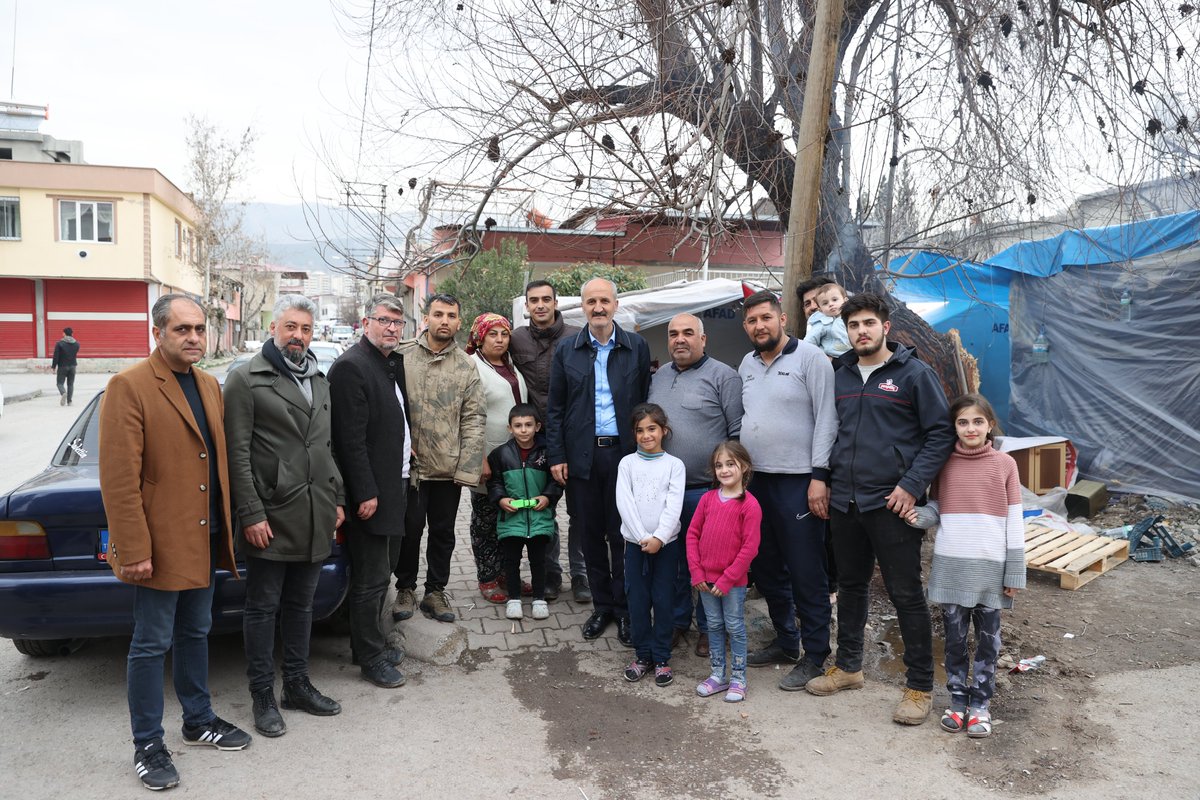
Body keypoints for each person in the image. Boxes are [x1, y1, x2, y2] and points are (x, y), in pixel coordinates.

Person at [99, 294, 251, 791]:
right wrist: (134, 548)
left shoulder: (209, 384)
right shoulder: (129, 386)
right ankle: (147, 744)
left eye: (199, 329)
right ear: (158, 332)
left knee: (196, 632)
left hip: (204, 540)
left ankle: (198, 719)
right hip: (159, 544)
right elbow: (119, 479)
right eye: (182, 329)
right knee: (149, 644)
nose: (193, 338)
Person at [805, 292, 955, 726]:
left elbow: (940, 434)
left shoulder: (913, 374)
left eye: (869, 323)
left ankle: (920, 686)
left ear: (886, 327)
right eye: (853, 326)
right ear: (846, 331)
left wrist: (911, 485)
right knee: (850, 586)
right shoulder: (842, 374)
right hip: (845, 500)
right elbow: (830, 430)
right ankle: (849, 667)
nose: (861, 332)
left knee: (906, 593)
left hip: (892, 504)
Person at [224, 294, 345, 736]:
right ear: (274, 328)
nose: (298, 336)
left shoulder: (320, 379)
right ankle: (262, 695)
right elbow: (236, 455)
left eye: (306, 329)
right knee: (262, 608)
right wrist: (250, 513)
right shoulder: (246, 379)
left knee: (302, 605)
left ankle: (296, 685)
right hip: (271, 515)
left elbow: (325, 449)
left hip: (315, 512)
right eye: (290, 327)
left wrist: (338, 499)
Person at [906, 393, 1024, 738]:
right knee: (955, 640)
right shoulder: (943, 463)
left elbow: (1015, 521)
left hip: (990, 570)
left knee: (988, 642)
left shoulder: (1005, 465)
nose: (970, 428)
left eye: (977, 421)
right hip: (952, 568)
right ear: (953, 427)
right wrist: (915, 516)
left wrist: (1015, 571)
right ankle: (958, 700)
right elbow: (937, 509)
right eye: (962, 422)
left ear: (990, 425)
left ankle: (981, 705)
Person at [738, 289, 838, 691]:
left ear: (782, 319)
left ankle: (816, 655)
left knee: (805, 570)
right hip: (755, 481)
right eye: (751, 321)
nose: (759, 326)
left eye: (766, 318)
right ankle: (786, 642)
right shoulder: (746, 363)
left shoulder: (811, 359)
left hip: (799, 481)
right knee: (765, 567)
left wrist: (819, 476)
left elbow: (827, 419)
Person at [546, 278, 651, 645]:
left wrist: (645, 455)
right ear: (584, 306)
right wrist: (557, 455)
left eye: (604, 300)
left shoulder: (635, 346)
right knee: (589, 531)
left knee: (622, 533)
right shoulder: (567, 350)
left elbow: (643, 402)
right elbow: (555, 408)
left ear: (615, 304)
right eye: (591, 301)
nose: (598, 308)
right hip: (582, 457)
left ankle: (624, 609)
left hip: (623, 456)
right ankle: (602, 605)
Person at [328, 293, 412, 689]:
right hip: (372, 492)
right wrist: (364, 491)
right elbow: (349, 440)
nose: (392, 328)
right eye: (384, 320)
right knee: (371, 579)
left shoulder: (387, 363)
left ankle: (370, 644)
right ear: (365, 323)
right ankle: (370, 658)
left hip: (394, 485)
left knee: (384, 572)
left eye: (397, 322)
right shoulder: (351, 367)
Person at [647, 312, 743, 658]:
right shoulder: (658, 378)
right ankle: (676, 622)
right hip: (667, 492)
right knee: (672, 562)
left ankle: (710, 628)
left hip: (707, 491)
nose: (680, 339)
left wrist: (732, 491)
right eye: (673, 334)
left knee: (708, 563)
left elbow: (736, 436)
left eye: (689, 333)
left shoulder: (724, 376)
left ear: (704, 339)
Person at [392, 294, 486, 624]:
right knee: (409, 530)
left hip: (448, 469)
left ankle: (435, 591)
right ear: (426, 318)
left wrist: (469, 467)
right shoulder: (400, 356)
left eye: (451, 315)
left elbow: (475, 417)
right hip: (411, 468)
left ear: (459, 322)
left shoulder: (465, 365)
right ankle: (405, 588)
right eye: (438, 314)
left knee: (443, 532)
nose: (444, 320)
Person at [508, 280, 588, 603]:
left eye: (546, 299)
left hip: (575, 435)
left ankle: (581, 573)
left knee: (581, 511)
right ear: (526, 306)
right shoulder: (516, 339)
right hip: (537, 440)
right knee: (546, 508)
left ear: (556, 303)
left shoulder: (576, 336)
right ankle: (552, 573)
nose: (540, 305)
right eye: (533, 300)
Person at [615, 403, 685, 687]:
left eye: (652, 429)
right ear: (634, 434)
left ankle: (662, 657)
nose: (646, 435)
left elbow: (674, 504)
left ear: (663, 431)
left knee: (664, 599)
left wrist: (659, 538)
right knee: (638, 599)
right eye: (640, 430)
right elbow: (625, 502)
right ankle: (643, 654)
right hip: (635, 545)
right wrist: (643, 536)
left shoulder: (674, 465)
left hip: (666, 546)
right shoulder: (627, 464)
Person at [688, 440, 762, 703]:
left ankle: (739, 678)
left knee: (734, 626)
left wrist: (728, 578)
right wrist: (697, 572)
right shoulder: (707, 500)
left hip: (733, 583)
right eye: (719, 465)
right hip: (705, 582)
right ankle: (718, 675)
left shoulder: (749, 505)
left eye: (730, 464)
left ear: (744, 467)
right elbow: (692, 535)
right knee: (714, 626)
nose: (724, 469)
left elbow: (749, 548)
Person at [466, 312, 528, 605]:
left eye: (504, 334)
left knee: (508, 518)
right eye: (493, 334)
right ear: (480, 337)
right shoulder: (472, 366)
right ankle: (487, 578)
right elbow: (466, 415)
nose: (500, 339)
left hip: (514, 459)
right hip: (487, 458)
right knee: (485, 521)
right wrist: (478, 458)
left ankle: (506, 573)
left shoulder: (511, 364)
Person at [486, 403, 563, 620]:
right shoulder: (500, 454)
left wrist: (547, 496)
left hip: (539, 518)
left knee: (539, 561)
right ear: (509, 428)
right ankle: (514, 599)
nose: (523, 430)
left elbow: (556, 481)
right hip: (511, 520)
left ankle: (539, 598)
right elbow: (495, 483)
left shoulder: (548, 453)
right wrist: (501, 499)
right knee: (511, 562)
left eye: (528, 425)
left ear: (537, 426)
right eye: (518, 425)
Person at [802, 282, 852, 358]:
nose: (831, 304)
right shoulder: (822, 323)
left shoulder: (851, 317)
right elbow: (809, 341)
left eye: (835, 300)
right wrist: (820, 356)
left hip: (853, 354)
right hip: (831, 356)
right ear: (820, 309)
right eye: (825, 303)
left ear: (845, 300)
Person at [52, 326, 80, 406]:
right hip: (73, 366)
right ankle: (69, 401)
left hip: (62, 366)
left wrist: (54, 367)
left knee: (59, 383)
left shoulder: (59, 344)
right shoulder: (77, 344)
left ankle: (63, 393)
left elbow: (56, 356)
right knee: (70, 384)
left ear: (64, 333)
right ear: (72, 334)